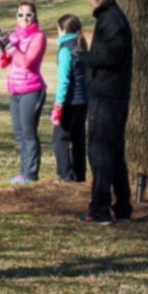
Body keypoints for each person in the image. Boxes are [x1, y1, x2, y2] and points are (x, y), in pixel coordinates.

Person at [76, 0, 132, 224]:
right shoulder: (108, 17)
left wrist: (82, 55)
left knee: (100, 153)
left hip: (107, 97)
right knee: (114, 153)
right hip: (110, 95)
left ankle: (99, 210)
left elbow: (111, 56)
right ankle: (123, 209)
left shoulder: (113, 19)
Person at [0, 1, 47, 184]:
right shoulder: (14, 36)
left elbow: (27, 62)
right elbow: (2, 64)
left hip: (32, 89)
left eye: (29, 14)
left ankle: (31, 174)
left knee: (29, 132)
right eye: (21, 14)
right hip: (14, 91)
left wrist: (12, 48)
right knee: (19, 133)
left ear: (35, 17)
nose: (24, 18)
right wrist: (2, 47)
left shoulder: (38, 37)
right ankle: (23, 172)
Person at [50, 14, 88, 183]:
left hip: (70, 102)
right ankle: (80, 175)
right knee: (78, 139)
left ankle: (65, 175)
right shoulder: (82, 47)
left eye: (58, 29)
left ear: (63, 30)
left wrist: (59, 104)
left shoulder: (66, 50)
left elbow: (64, 80)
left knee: (60, 139)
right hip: (83, 101)